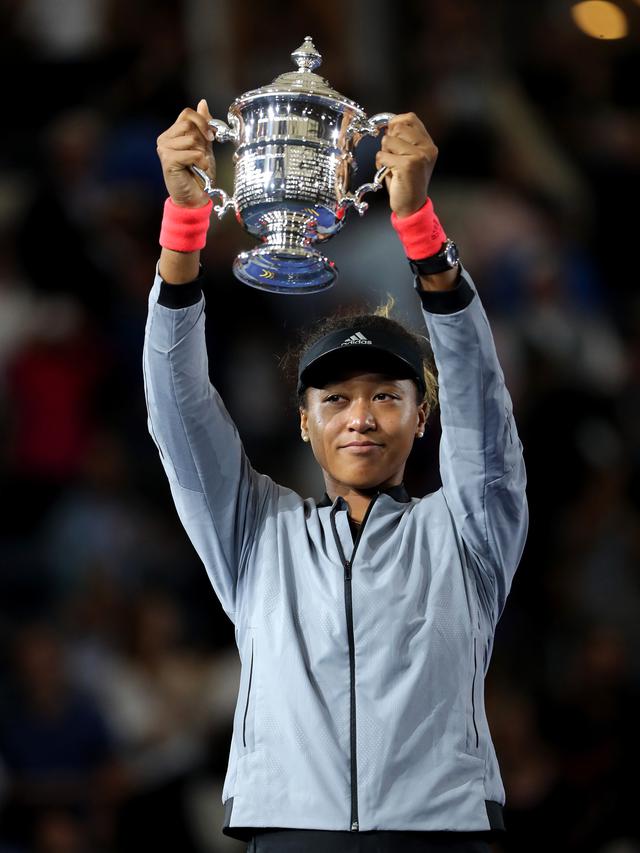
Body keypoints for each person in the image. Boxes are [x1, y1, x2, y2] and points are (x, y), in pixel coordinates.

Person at [143, 100, 529, 853]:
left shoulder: (468, 533)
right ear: (303, 422)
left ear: (422, 419)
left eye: (387, 395)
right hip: (291, 832)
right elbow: (176, 406)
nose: (361, 416)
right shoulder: (256, 536)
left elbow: (481, 400)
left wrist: (420, 228)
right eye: (336, 399)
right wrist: (184, 227)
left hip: (438, 833)